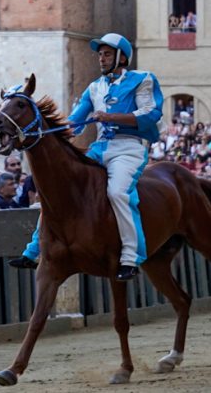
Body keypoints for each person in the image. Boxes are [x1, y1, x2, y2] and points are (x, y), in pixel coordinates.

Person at [9, 33, 163, 281]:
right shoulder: (94, 87)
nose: (101, 58)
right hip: (99, 148)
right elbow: (75, 123)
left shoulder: (142, 79)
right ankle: (33, 250)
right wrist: (44, 128)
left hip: (129, 148)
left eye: (107, 54)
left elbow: (150, 114)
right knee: (60, 191)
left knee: (118, 193)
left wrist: (111, 118)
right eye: (100, 54)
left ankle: (131, 257)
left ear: (122, 57)